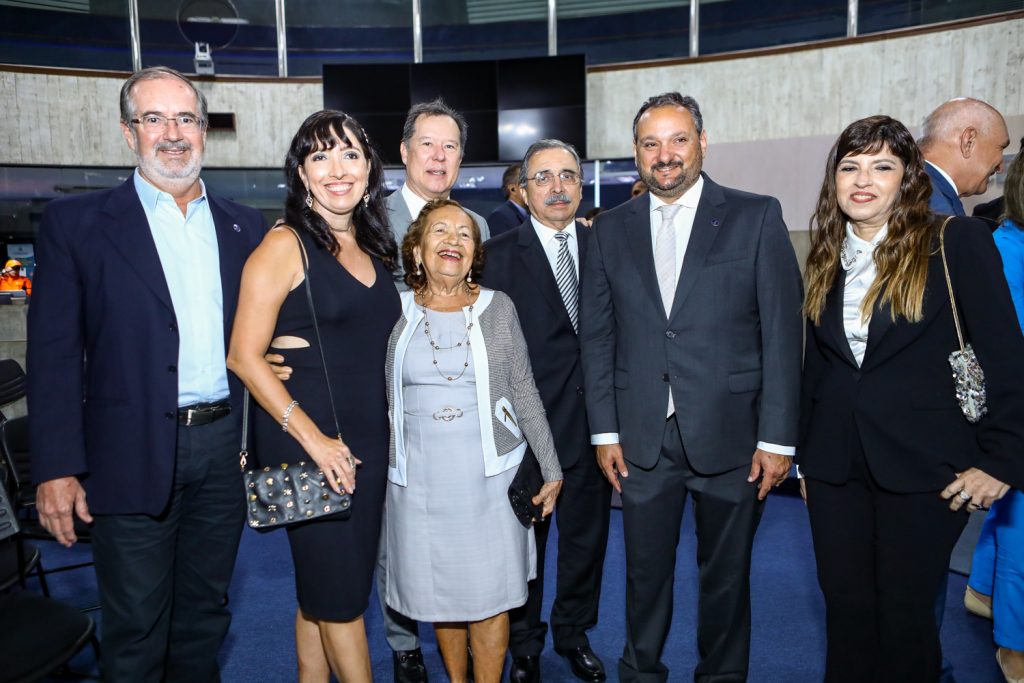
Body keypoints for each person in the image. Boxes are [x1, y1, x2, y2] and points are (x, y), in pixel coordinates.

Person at [27, 66, 266, 682]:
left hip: (224, 451)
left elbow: (265, 335)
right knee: (134, 628)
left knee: (204, 619)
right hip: (125, 453)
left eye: (185, 118)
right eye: (153, 119)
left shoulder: (247, 228)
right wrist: (55, 467)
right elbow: (53, 355)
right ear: (128, 133)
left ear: (204, 130)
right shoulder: (75, 226)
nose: (172, 133)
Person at [580, 92, 803, 683]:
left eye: (678, 139)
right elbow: (598, 338)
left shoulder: (756, 215)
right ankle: (641, 674)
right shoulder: (609, 229)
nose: (666, 155)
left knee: (726, 579)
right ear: (635, 154)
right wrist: (604, 429)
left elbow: (783, 334)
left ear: (703, 142)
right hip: (641, 438)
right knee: (643, 577)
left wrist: (778, 439)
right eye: (651, 144)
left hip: (734, 438)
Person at [799, 115, 1024, 683]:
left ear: (908, 177)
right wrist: (809, 457)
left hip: (928, 469)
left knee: (906, 621)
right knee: (847, 612)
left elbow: (1006, 358)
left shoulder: (955, 240)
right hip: (835, 469)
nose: (863, 179)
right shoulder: (827, 252)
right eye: (849, 167)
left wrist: (1001, 462)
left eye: (882, 166)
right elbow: (820, 368)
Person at [227, 110, 400, 683]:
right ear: (301, 174)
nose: (336, 169)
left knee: (325, 594)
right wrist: (318, 442)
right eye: (319, 156)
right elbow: (244, 356)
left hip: (368, 444)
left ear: (370, 167)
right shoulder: (284, 244)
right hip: (314, 449)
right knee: (344, 604)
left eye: (349, 153)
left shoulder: (373, 243)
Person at [384, 198, 563, 683]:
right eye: (439, 231)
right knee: (442, 597)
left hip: (491, 479)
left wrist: (551, 466)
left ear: (475, 252)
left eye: (465, 235)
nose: (453, 241)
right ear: (417, 251)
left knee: (490, 599)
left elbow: (524, 387)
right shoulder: (393, 312)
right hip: (418, 484)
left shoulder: (498, 307)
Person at [480, 140, 611, 683]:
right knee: (526, 549)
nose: (557, 188)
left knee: (587, 542)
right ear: (523, 190)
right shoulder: (497, 255)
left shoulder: (607, 244)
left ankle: (574, 634)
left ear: (581, 186)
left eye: (567, 177)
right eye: (543, 178)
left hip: (599, 429)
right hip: (528, 432)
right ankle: (526, 646)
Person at [381, 98, 489, 683]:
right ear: (404, 153)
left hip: (459, 406)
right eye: (427, 143)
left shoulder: (481, 226)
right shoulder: (369, 219)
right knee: (397, 526)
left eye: (449, 146)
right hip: (389, 401)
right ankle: (404, 643)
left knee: (457, 525)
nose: (438, 156)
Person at [966, 142, 1024, 683]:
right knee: (1020, 523)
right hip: (1016, 404)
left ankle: (982, 588)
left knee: (1008, 515)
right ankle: (1016, 643)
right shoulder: (1003, 249)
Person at [919, 97, 1010, 216]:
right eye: (1001, 147)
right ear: (969, 142)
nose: (1001, 168)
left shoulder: (918, 190)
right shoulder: (934, 210)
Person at [487, 163, 530, 237]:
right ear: (513, 189)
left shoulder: (530, 215)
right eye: (526, 182)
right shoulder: (499, 217)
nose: (532, 187)